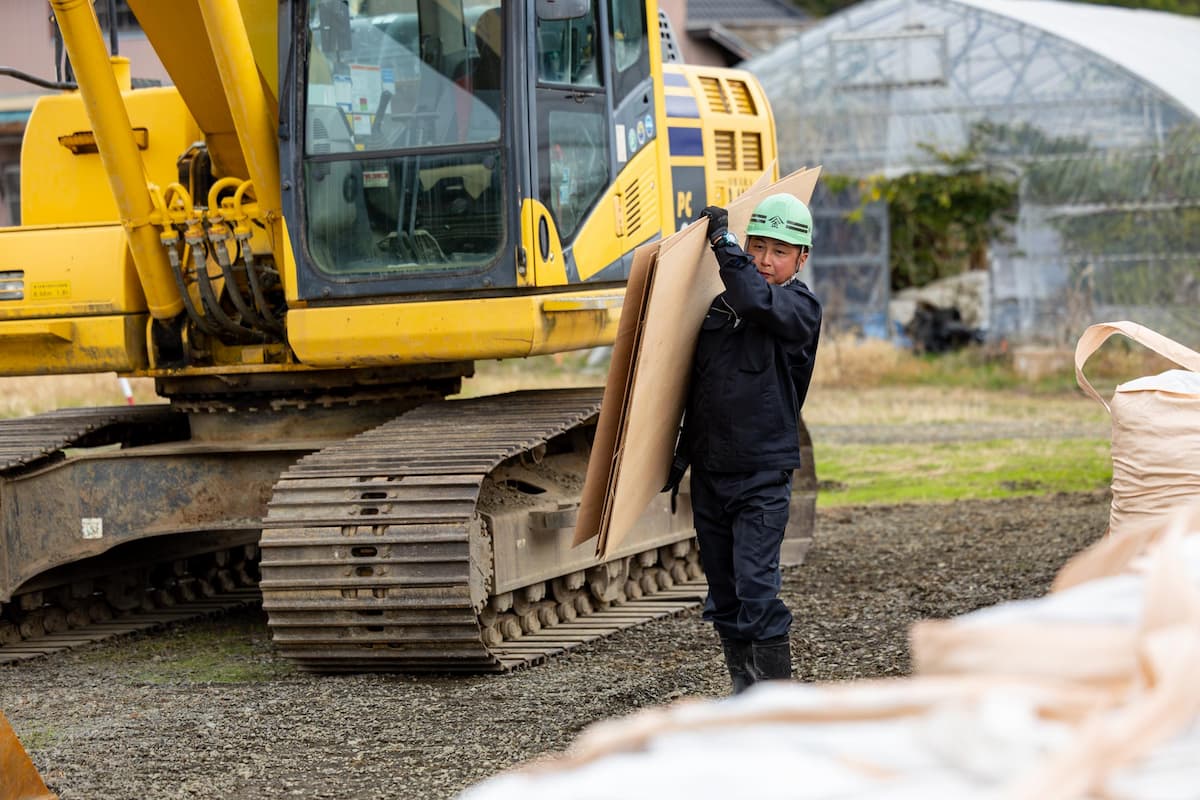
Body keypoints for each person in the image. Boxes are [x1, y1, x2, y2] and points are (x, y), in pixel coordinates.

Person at [665, 193, 822, 694]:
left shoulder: (798, 308)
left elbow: (758, 299)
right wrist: (682, 455)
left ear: (802, 258)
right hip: (712, 472)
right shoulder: (719, 308)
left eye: (779, 251)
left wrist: (724, 242)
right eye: (757, 247)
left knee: (757, 588)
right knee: (726, 592)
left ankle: (777, 701)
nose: (765, 260)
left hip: (761, 474)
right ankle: (744, 693)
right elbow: (700, 388)